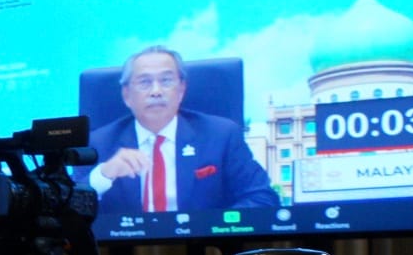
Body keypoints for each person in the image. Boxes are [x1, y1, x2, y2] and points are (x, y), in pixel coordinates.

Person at [87, 44, 278, 218]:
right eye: (145, 82)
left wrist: (214, 226)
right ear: (127, 95)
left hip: (207, 250)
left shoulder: (221, 135)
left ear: (181, 90)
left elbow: (262, 198)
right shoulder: (100, 143)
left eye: (166, 81)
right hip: (123, 251)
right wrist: (103, 175)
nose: (156, 91)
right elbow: (69, 207)